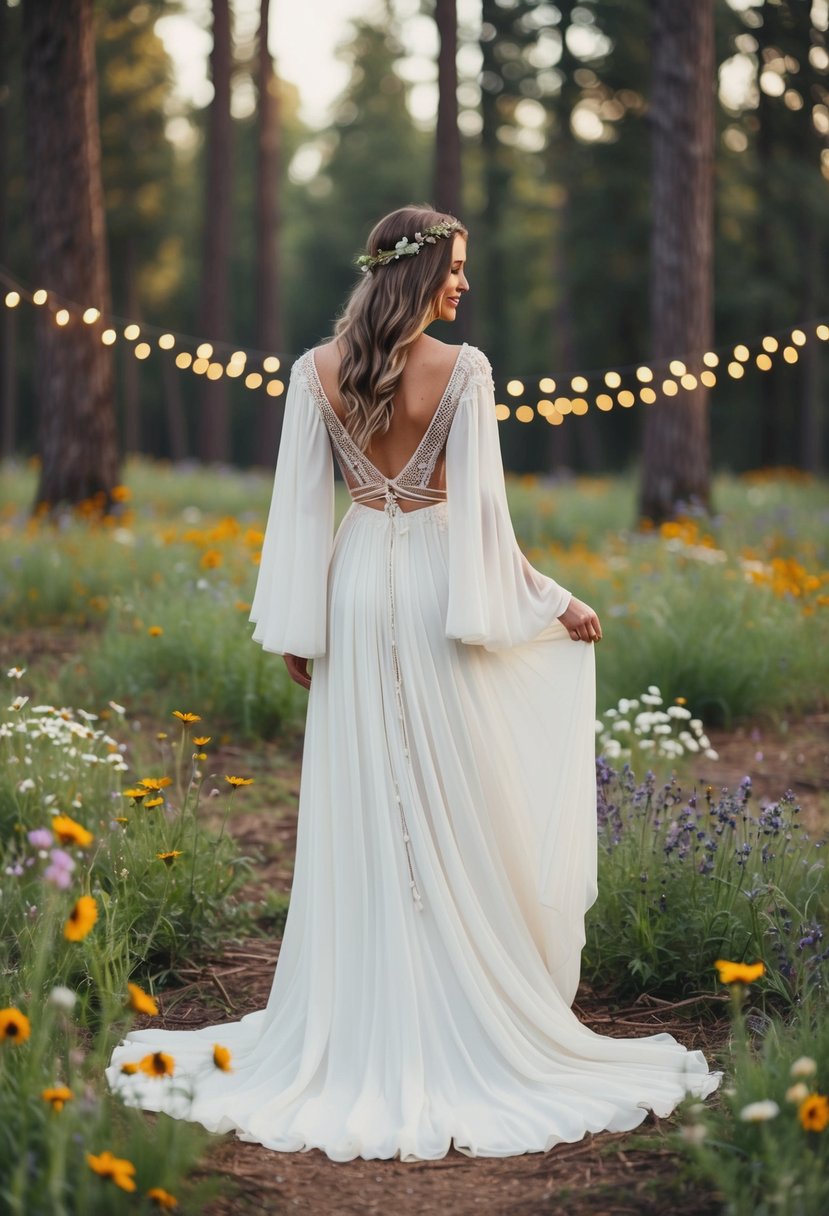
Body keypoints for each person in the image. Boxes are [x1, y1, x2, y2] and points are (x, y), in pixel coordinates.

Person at [106, 204, 720, 1161]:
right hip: (435, 587)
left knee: (366, 790)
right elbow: (484, 523)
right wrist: (554, 600)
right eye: (455, 266)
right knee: (452, 786)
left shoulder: (316, 370)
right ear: (419, 270)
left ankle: (366, 996)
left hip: (353, 589)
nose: (464, 283)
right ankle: (450, 989)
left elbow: (299, 510)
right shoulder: (462, 370)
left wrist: (297, 621)